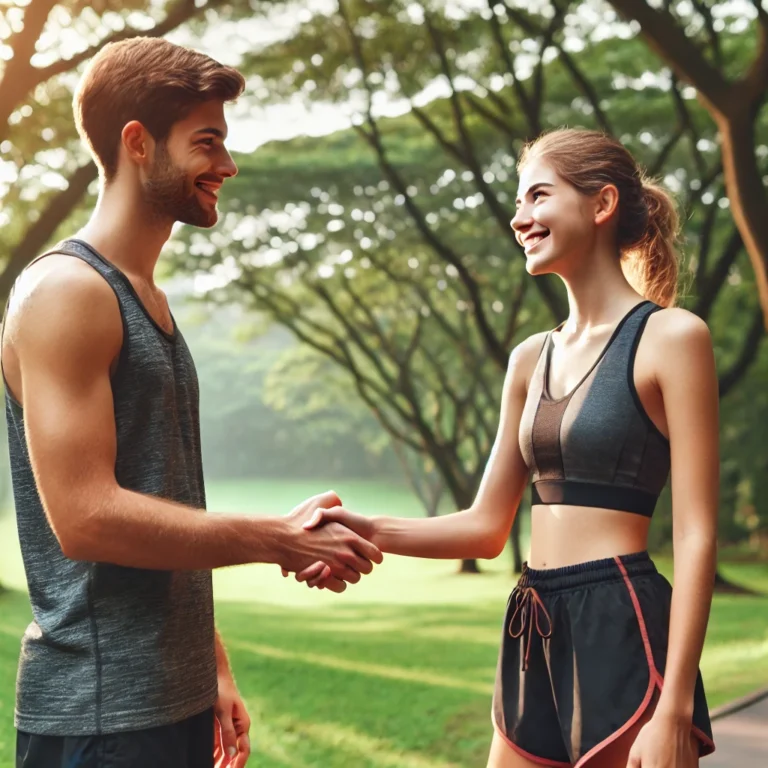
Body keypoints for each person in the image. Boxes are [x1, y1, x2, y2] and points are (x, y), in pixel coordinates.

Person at [2, 37, 382, 768]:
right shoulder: (68, 293)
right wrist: (281, 537)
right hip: (100, 716)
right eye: (207, 143)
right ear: (137, 144)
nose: (228, 167)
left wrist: (210, 665)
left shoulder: (149, 300)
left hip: (167, 704)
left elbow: (160, 502)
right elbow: (85, 519)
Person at [298, 129, 719, 767]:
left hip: (621, 624)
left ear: (601, 205)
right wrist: (366, 529)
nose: (519, 219)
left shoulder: (672, 338)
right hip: (531, 619)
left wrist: (676, 706)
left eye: (538, 196)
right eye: (518, 202)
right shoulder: (529, 359)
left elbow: (695, 535)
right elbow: (485, 527)